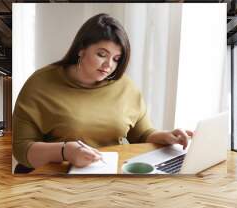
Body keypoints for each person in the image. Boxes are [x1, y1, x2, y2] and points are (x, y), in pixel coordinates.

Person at [13, 13, 193, 171]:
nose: (109, 66)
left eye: (116, 59)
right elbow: (21, 149)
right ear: (81, 49)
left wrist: (167, 136)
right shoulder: (40, 83)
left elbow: (142, 134)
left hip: (113, 173)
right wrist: (65, 151)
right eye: (101, 54)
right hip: (59, 176)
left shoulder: (125, 86)